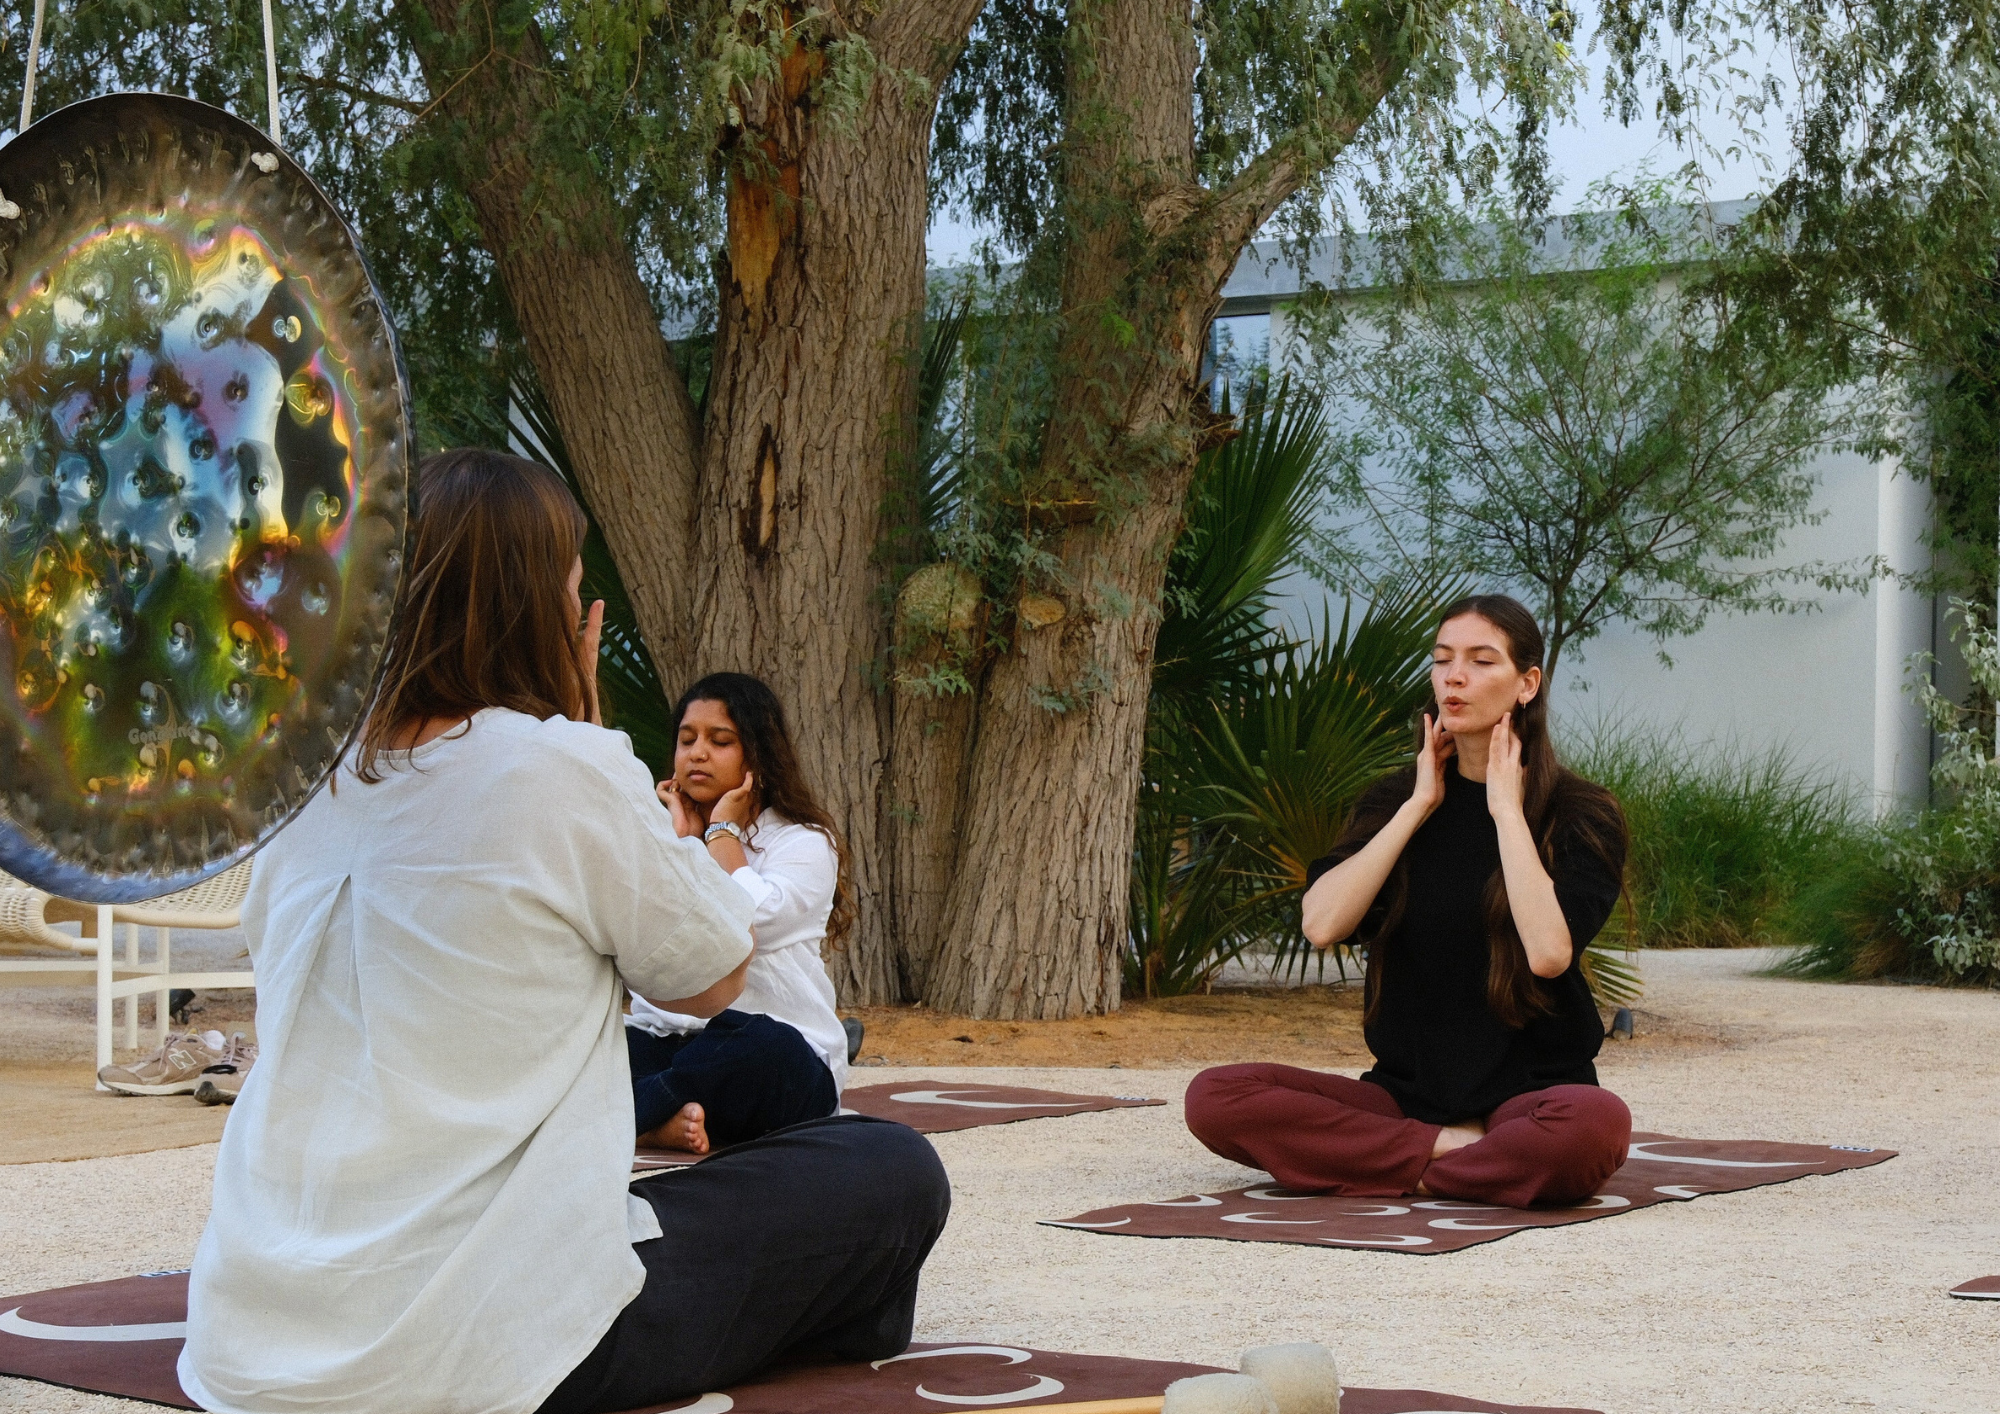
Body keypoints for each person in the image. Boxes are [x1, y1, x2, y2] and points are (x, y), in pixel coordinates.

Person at [178, 449, 949, 1414]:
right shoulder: (557, 766)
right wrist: (584, 734)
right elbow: (712, 972)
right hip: (468, 1350)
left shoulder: (307, 772)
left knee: (693, 1198)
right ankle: (811, 1317)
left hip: (254, 1340)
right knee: (886, 1168)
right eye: (574, 589)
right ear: (540, 608)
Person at [1184, 594, 1631, 1208]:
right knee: (1216, 1096)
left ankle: (1391, 1161)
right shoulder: (1393, 800)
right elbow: (1321, 924)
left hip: (1535, 1096)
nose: (1455, 676)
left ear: (1527, 684)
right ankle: (1455, 1154)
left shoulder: (1580, 813)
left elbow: (1550, 954)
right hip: (1404, 1097)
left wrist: (1505, 811)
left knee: (1592, 1130)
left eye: (1480, 660)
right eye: (1443, 659)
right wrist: (1416, 807)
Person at [626, 672, 852, 1155]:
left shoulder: (805, 842)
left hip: (766, 1054)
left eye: (719, 740)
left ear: (757, 754)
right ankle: (659, 1118)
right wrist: (682, 844)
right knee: (599, 1050)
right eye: (687, 740)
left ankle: (631, 1115)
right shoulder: (660, 836)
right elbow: (638, 937)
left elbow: (751, 922)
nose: (697, 753)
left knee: (765, 1047)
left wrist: (720, 836)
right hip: (672, 1042)